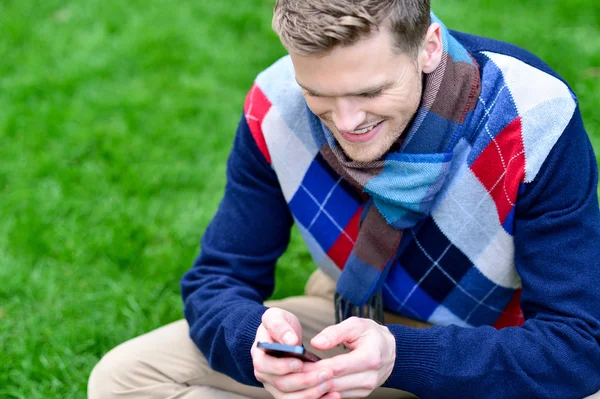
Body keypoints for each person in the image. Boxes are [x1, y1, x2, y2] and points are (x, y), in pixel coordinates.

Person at [88, 0, 600, 398]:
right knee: (123, 380)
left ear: (429, 46)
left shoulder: (531, 120)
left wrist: (401, 357)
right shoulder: (275, 107)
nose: (347, 122)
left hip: (491, 341)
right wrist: (255, 342)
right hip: (352, 315)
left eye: (370, 92)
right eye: (319, 94)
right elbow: (217, 278)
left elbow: (576, 344)